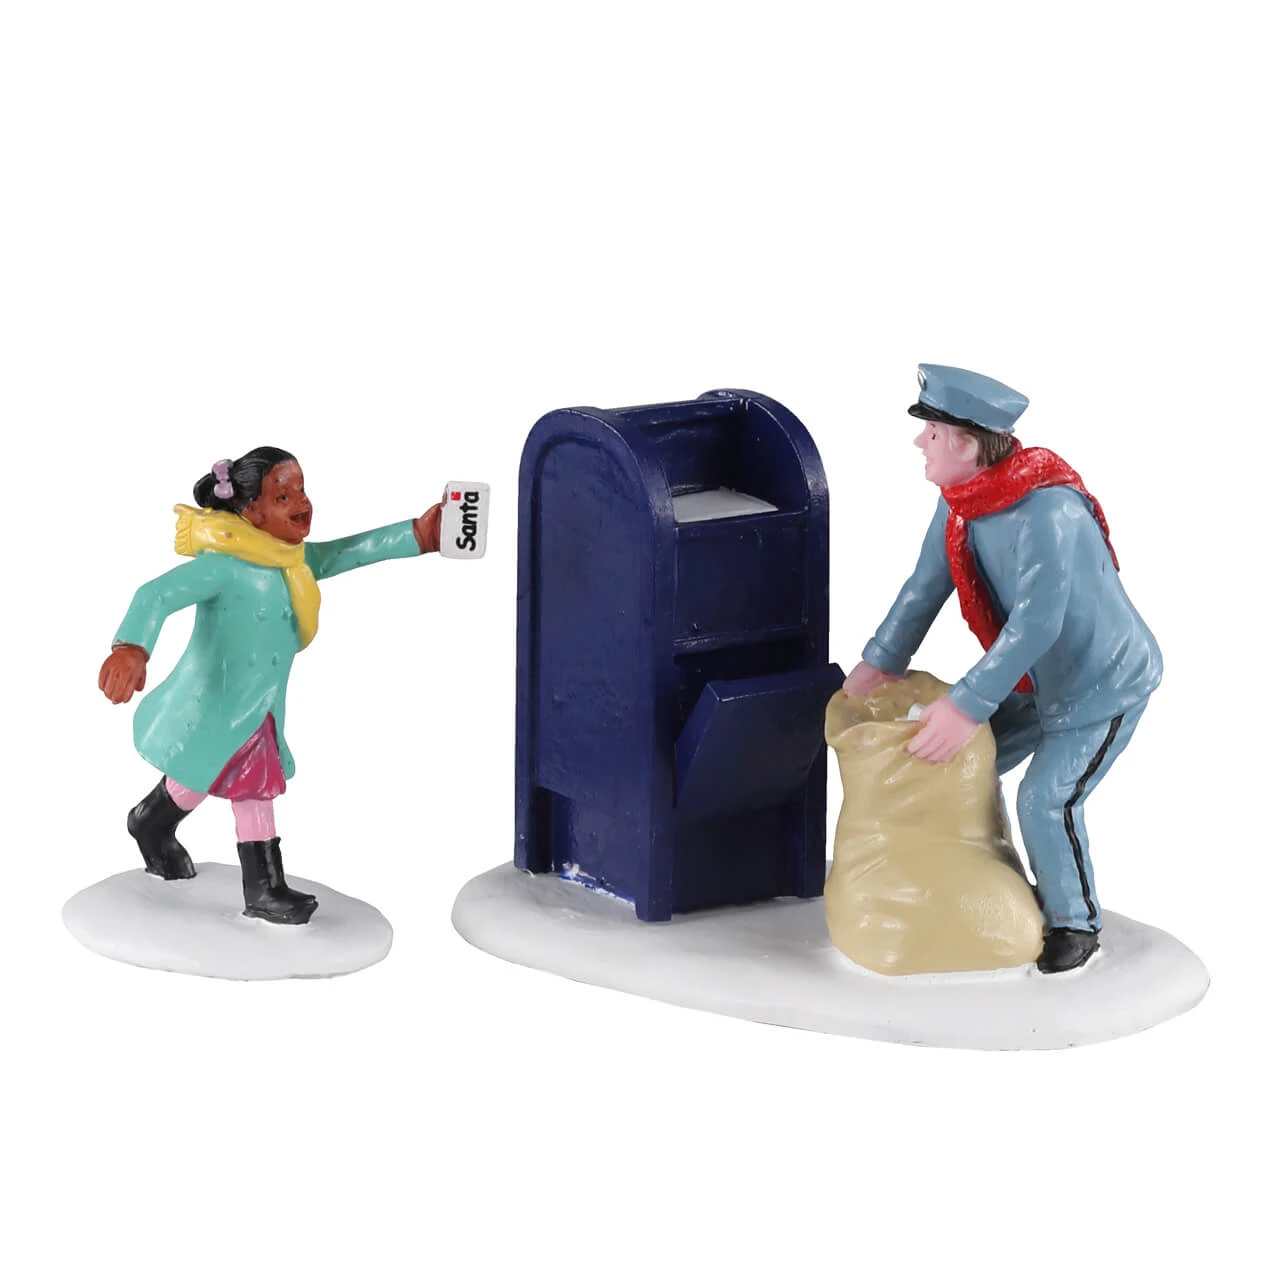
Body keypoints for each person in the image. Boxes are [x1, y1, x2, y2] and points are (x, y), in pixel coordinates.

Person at [843, 365, 1162, 973]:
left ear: (966, 445)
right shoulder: (962, 503)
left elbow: (1037, 625)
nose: (920, 442)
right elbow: (923, 588)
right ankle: (982, 878)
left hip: (1100, 683)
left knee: (1046, 800)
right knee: (963, 761)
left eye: (932, 433)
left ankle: (1074, 921)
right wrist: (878, 664)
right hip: (1034, 678)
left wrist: (965, 706)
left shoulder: (1048, 512)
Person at [99, 446, 443, 924]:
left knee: (204, 777)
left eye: (301, 489)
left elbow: (345, 552)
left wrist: (417, 535)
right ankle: (263, 888)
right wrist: (131, 648)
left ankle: (151, 822)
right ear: (251, 511)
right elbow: (156, 594)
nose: (301, 503)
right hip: (213, 701)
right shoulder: (224, 564)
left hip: (260, 705)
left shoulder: (292, 560)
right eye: (283, 496)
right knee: (247, 785)